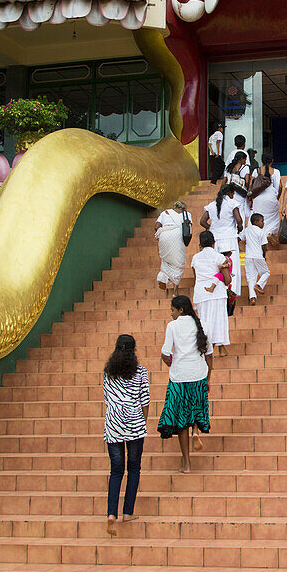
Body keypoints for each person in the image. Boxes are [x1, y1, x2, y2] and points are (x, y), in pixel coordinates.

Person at [158, 295, 212, 472]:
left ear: (180, 310)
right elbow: (209, 354)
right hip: (199, 373)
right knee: (197, 408)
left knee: (181, 421)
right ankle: (196, 431)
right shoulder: (201, 324)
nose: (171, 313)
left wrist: (170, 362)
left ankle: (187, 464)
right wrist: (208, 377)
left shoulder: (172, 326)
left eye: (172, 310)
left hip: (179, 377)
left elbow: (166, 353)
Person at [103, 334, 149, 537]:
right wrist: (143, 421)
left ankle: (111, 513)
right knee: (134, 468)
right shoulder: (141, 372)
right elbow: (145, 399)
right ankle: (127, 512)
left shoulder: (108, 372)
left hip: (113, 422)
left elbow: (107, 398)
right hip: (135, 423)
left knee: (116, 470)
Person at [191, 230, 231, 353]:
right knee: (219, 320)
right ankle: (220, 348)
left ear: (200, 244)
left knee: (205, 321)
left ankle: (208, 348)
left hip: (201, 292)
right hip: (217, 293)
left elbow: (195, 277)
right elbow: (227, 280)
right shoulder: (220, 257)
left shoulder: (195, 258)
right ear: (213, 243)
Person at [201, 184, 243, 296]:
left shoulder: (211, 205)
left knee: (217, 266)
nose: (233, 196)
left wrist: (212, 228)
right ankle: (231, 292)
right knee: (231, 267)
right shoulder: (232, 203)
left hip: (216, 240)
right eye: (233, 193)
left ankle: (217, 290)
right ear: (229, 193)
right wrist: (239, 229)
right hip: (229, 239)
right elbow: (239, 220)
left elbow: (202, 221)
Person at [154, 200, 189, 292]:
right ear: (183, 208)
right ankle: (175, 291)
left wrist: (161, 234)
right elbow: (188, 230)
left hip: (164, 235)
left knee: (166, 260)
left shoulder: (165, 213)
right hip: (177, 236)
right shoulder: (186, 214)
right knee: (178, 264)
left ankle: (163, 278)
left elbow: (157, 226)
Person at [250, 152, 282, 241]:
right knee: (274, 219)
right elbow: (279, 187)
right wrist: (276, 198)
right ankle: (269, 233)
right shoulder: (276, 172)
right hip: (271, 198)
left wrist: (251, 200)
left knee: (258, 217)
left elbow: (251, 185)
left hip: (258, 199)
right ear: (272, 161)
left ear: (261, 161)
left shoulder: (256, 171)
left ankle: (260, 235)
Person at [244, 212, 270, 304]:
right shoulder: (261, 231)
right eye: (262, 221)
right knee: (266, 272)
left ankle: (252, 298)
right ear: (255, 222)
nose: (263, 223)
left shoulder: (246, 230)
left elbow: (240, 238)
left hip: (248, 257)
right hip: (258, 255)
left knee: (251, 278)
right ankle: (259, 285)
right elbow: (265, 246)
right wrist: (264, 256)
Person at [225, 150, 250, 227]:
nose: (245, 161)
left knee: (232, 213)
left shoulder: (229, 168)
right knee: (241, 213)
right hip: (240, 194)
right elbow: (247, 180)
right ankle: (241, 234)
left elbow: (225, 179)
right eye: (245, 159)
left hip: (231, 193)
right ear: (241, 159)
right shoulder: (245, 168)